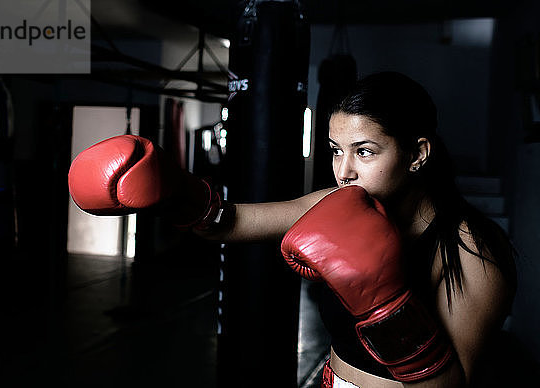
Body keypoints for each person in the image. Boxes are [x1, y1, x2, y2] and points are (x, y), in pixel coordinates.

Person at [68, 71, 517, 387]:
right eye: (334, 150)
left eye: (365, 151)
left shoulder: (471, 250)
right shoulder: (335, 203)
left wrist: (388, 306)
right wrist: (175, 191)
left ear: (418, 153)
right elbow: (231, 222)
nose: (344, 171)